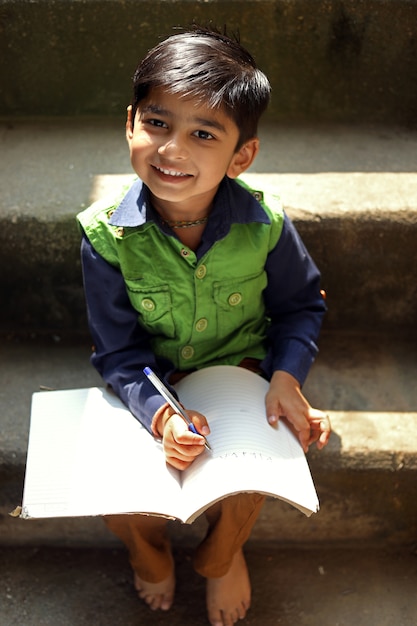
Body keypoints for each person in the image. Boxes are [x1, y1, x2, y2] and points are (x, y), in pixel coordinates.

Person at [77, 25, 331, 626]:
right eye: (159, 124)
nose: (173, 150)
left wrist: (287, 377)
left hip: (239, 370)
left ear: (241, 154)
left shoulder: (264, 224)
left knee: (248, 473)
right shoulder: (104, 235)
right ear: (131, 122)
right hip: (152, 379)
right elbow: (118, 352)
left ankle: (221, 559)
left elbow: (300, 307)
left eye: (204, 134)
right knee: (122, 494)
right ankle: (150, 556)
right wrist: (162, 415)